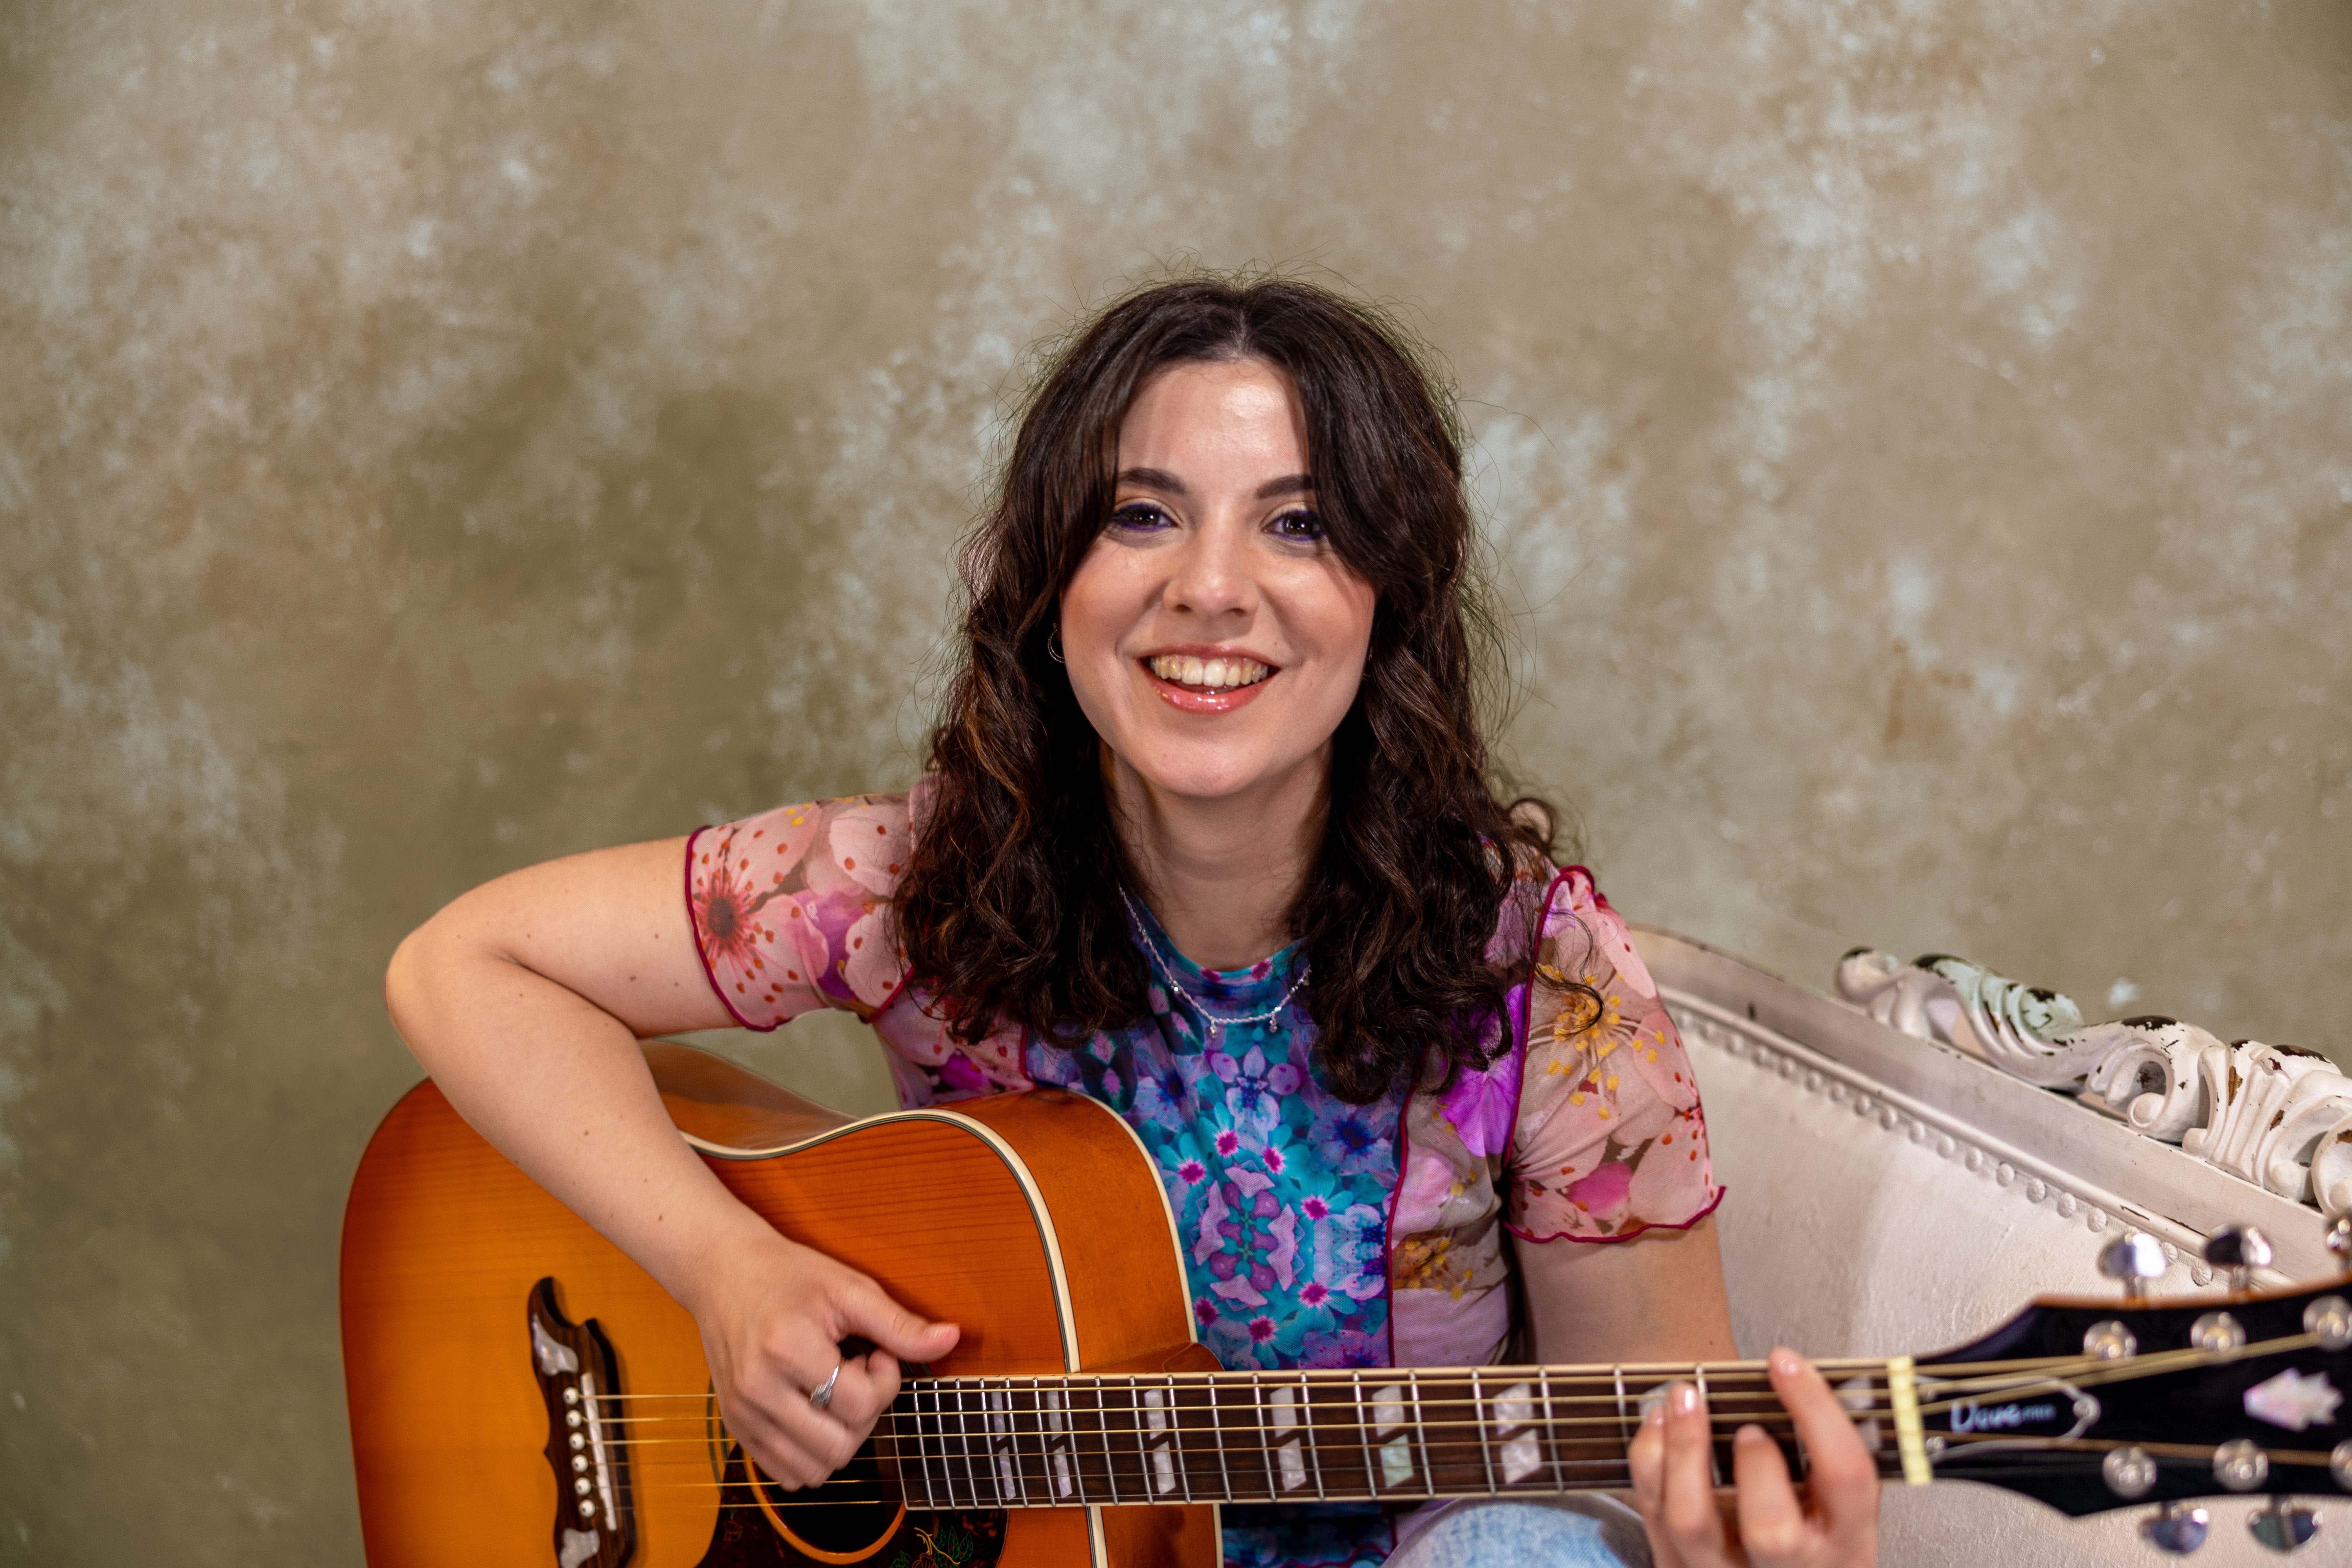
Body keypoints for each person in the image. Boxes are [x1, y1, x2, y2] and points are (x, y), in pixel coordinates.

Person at [385, 274, 1879, 1568]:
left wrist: (1740, 1554)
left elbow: (1654, 1456)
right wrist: (725, 1270)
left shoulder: (1536, 974)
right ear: (1052, 583)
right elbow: (463, 967)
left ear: (1390, 601)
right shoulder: (915, 884)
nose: (1211, 590)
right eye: (1142, 515)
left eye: (1300, 524)